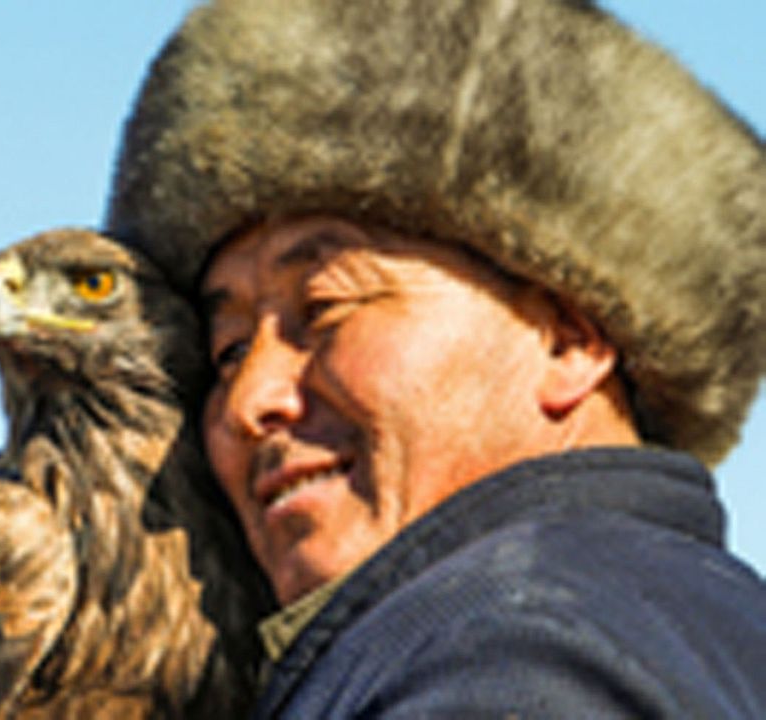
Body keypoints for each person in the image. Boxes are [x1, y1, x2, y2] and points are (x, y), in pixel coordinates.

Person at [106, 0, 766, 717]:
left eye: (323, 308)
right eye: (227, 350)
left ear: (568, 340)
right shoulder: (680, 627)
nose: (246, 400)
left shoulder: (515, 650)